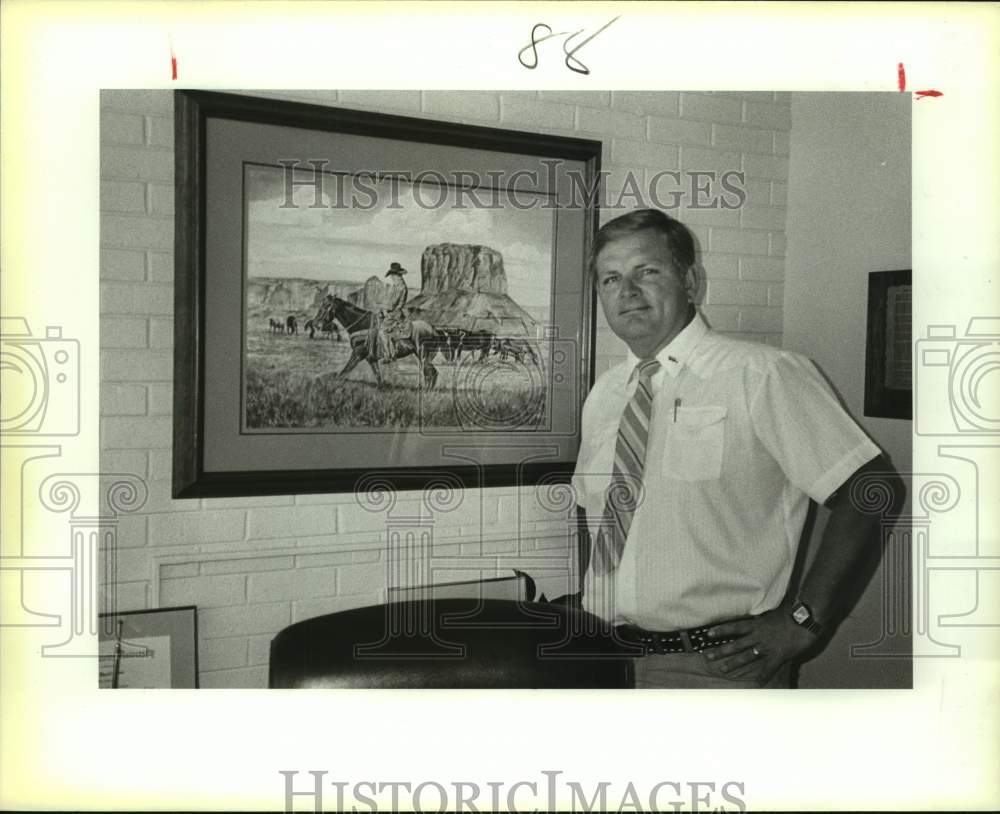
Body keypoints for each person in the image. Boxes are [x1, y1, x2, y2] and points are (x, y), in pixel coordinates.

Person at [571, 209, 904, 688]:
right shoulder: (606, 394)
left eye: (647, 271)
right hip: (605, 658)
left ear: (690, 281)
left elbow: (873, 489)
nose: (628, 291)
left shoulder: (761, 375)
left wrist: (804, 622)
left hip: (719, 667)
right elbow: (594, 512)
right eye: (610, 278)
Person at [364, 261, 410, 360]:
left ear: (398, 275)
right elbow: (390, 301)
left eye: (393, 275)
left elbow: (393, 303)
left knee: (382, 331)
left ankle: (388, 355)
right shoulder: (397, 286)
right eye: (392, 276)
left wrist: (382, 307)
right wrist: (383, 307)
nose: (392, 278)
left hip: (395, 313)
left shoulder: (400, 287)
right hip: (392, 311)